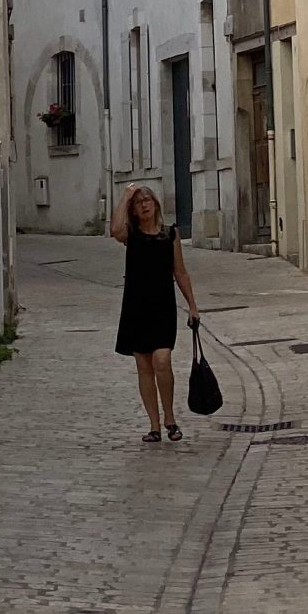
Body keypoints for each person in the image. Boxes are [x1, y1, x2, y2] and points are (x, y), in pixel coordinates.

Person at [110, 184, 198, 441]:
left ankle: (170, 417)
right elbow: (115, 230)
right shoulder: (131, 235)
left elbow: (179, 271)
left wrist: (192, 305)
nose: (144, 205)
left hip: (162, 306)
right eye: (139, 203)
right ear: (133, 211)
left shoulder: (170, 234)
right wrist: (126, 196)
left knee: (162, 360)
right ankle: (154, 425)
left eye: (148, 200)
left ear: (156, 204)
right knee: (144, 366)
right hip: (136, 307)